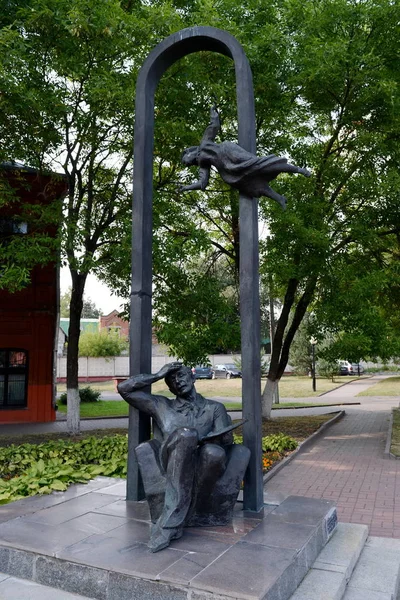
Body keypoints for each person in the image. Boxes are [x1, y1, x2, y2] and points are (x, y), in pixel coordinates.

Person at [118, 363, 250, 552]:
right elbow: (124, 389)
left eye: (181, 376)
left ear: (193, 377)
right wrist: (157, 375)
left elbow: (226, 442)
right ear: (169, 387)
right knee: (186, 435)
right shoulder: (161, 405)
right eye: (171, 380)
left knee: (213, 452)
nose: (177, 382)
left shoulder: (214, 408)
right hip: (171, 460)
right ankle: (170, 525)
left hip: (206, 464)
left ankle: (174, 519)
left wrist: (215, 438)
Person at [180, 105, 311, 208]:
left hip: (229, 152)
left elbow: (214, 125)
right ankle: (279, 198)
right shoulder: (203, 165)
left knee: (258, 164)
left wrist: (212, 111)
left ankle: (298, 170)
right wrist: (186, 187)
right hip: (228, 169)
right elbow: (202, 184)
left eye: (184, 160)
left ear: (189, 153)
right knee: (250, 184)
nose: (186, 164)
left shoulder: (204, 143)